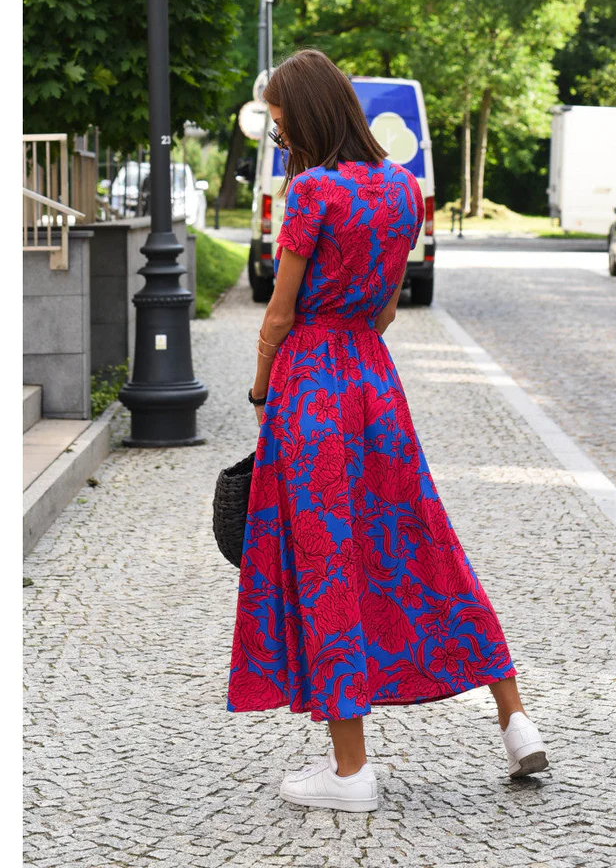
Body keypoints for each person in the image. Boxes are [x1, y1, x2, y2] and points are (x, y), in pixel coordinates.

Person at [227, 49, 549, 812]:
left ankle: (351, 773)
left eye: (279, 124)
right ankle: (515, 720)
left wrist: (261, 382)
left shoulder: (310, 192)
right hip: (375, 386)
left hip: (311, 389)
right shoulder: (403, 188)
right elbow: (384, 310)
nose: (278, 139)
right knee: (424, 543)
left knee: (326, 562)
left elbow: (278, 310)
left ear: (303, 117)